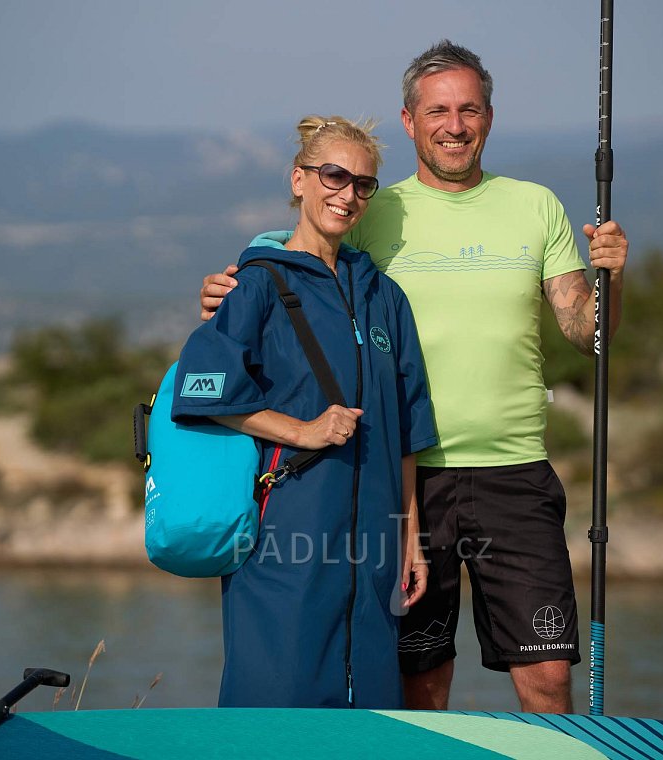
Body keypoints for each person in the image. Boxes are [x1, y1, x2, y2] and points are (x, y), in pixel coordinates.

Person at [200, 41, 629, 713]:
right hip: (405, 480)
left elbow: (588, 333)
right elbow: (304, 247)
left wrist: (611, 278)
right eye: (438, 110)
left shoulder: (536, 206)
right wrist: (237, 277)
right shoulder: (378, 209)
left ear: (489, 117)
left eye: (469, 109)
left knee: (547, 678)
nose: (454, 125)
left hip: (513, 471)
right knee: (417, 685)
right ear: (409, 121)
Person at [174, 115, 437, 709]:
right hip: (284, 541)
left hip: (373, 553)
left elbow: (407, 435)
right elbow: (203, 389)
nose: (348, 194)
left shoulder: (385, 298)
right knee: (272, 715)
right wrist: (302, 431)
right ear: (299, 180)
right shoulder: (257, 285)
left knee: (368, 723)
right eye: (334, 175)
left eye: (363, 184)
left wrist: (409, 540)